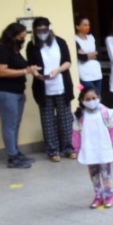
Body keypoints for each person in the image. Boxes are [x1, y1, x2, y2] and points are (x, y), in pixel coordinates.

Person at [26, 17, 76, 162]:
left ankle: (68, 148)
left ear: (49, 29)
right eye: (39, 30)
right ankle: (53, 151)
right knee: (47, 120)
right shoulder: (32, 46)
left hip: (61, 86)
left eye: (44, 30)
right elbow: (31, 66)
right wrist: (37, 75)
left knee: (65, 119)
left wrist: (58, 70)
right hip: (43, 88)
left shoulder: (60, 42)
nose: (42, 33)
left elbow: (68, 62)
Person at [0, 23, 37, 168]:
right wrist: (25, 71)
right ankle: (12, 157)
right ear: (14, 34)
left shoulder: (14, 48)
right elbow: (1, 71)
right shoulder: (2, 48)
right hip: (5, 92)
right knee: (9, 125)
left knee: (15, 123)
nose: (25, 37)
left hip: (16, 91)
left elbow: (21, 66)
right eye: (23, 34)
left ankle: (15, 151)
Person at [72, 86, 113, 209]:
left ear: (99, 98)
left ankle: (109, 194)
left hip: (104, 148)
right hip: (89, 150)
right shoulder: (80, 116)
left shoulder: (106, 113)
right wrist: (76, 150)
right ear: (82, 100)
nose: (91, 101)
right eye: (87, 99)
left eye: (94, 98)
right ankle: (98, 195)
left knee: (106, 174)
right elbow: (76, 135)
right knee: (94, 175)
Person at [74, 15, 103, 96]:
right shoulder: (75, 39)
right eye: (85, 25)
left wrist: (87, 55)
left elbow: (98, 54)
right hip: (84, 75)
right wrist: (89, 55)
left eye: (88, 25)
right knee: (88, 95)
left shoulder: (91, 38)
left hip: (96, 73)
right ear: (77, 26)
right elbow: (81, 57)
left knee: (98, 97)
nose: (87, 27)